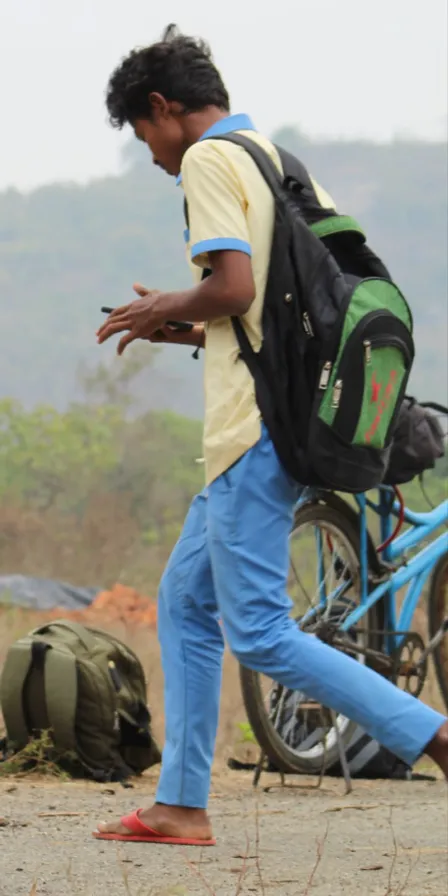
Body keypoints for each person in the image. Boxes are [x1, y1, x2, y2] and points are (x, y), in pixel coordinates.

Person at [94, 25, 448, 846]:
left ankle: (431, 735)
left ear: (163, 108)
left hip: (254, 428)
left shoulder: (211, 161)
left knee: (255, 630)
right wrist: (177, 327)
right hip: (275, 415)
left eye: (145, 135)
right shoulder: (273, 157)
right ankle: (181, 804)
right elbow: (261, 312)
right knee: (185, 604)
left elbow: (231, 286)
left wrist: (161, 306)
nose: (151, 155)